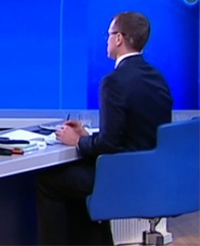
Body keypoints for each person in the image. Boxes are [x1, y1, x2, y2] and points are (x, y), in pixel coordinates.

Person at [36, 12, 173, 245]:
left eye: (108, 34)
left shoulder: (114, 81)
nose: (107, 40)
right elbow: (135, 132)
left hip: (123, 176)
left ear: (119, 38)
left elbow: (109, 145)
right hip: (153, 175)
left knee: (48, 181)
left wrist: (77, 141)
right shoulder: (157, 77)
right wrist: (86, 135)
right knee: (78, 184)